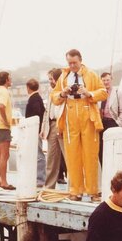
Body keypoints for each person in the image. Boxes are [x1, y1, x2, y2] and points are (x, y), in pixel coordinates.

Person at [50, 49, 106, 201]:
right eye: (70, 63)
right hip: (70, 114)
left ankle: (94, 191)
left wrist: (89, 93)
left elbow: (103, 92)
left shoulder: (92, 74)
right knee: (72, 155)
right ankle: (75, 191)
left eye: (75, 62)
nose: (73, 65)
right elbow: (54, 97)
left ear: (80, 60)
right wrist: (63, 93)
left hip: (87, 112)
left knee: (91, 154)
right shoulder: (63, 76)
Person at [42, 68, 67, 189]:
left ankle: (73, 188)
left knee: (68, 158)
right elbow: (46, 112)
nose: (50, 82)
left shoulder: (65, 91)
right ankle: (49, 187)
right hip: (51, 125)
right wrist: (43, 129)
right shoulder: (50, 92)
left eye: (51, 79)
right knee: (51, 158)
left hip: (61, 124)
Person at [24, 77, 47, 188]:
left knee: (38, 155)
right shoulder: (37, 98)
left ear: (28, 88)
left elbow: (37, 114)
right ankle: (38, 178)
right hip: (36, 130)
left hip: (35, 130)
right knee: (37, 154)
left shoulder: (34, 99)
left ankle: (40, 179)